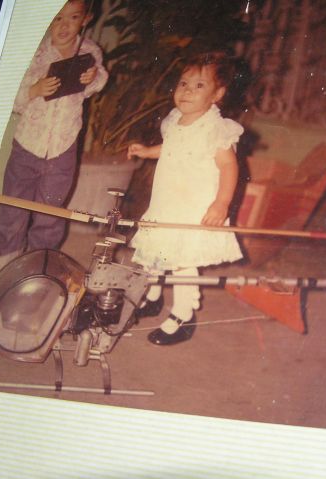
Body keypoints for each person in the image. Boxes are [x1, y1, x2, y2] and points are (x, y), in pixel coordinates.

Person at [127, 52, 244, 346]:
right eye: (183, 84)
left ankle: (183, 314)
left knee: (182, 262)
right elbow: (171, 148)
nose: (188, 91)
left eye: (199, 85)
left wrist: (221, 203)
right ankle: (153, 295)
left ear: (217, 94)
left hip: (193, 208)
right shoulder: (175, 121)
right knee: (156, 249)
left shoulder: (216, 129)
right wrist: (147, 151)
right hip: (167, 202)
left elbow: (229, 166)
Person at [0, 0, 108, 276]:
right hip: (27, 145)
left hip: (63, 148)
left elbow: (98, 81)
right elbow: (11, 99)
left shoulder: (89, 51)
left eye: (73, 17)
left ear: (86, 19)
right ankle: (3, 264)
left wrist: (93, 77)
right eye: (57, 18)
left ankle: (39, 265)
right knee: (13, 209)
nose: (64, 26)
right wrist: (35, 90)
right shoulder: (35, 53)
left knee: (50, 212)